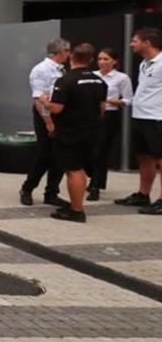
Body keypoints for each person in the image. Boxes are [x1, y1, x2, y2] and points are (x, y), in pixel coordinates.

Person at [46, 44, 107, 223]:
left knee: (74, 170)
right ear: (90, 59)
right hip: (93, 131)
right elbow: (102, 108)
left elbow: (57, 109)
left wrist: (44, 101)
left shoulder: (65, 81)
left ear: (71, 57)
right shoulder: (99, 81)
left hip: (70, 132)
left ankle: (76, 210)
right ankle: (76, 204)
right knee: (80, 168)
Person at [116, 28, 162, 214]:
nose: (131, 44)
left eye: (135, 40)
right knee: (143, 157)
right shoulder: (144, 63)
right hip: (140, 116)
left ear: (147, 43)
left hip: (157, 117)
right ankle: (143, 194)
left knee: (160, 159)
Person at [20, 39, 70, 207]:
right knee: (44, 155)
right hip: (46, 114)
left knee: (59, 156)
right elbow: (40, 101)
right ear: (58, 52)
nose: (69, 54)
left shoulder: (62, 70)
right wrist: (48, 122)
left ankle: (52, 193)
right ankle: (27, 189)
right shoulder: (41, 70)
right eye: (67, 51)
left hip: (60, 114)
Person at [89, 48, 133, 201]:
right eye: (100, 59)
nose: (102, 62)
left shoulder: (121, 78)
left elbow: (128, 100)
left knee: (101, 150)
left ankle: (96, 186)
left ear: (114, 61)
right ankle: (90, 178)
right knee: (89, 149)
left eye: (106, 59)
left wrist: (107, 100)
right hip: (91, 115)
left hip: (109, 115)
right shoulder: (92, 76)